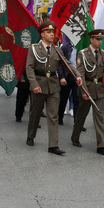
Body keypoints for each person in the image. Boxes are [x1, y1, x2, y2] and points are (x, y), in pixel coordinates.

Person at [25, 21, 73, 155]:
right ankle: (31, 135)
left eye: (52, 32)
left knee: (53, 116)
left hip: (53, 85)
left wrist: (78, 75)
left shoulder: (57, 49)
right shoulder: (34, 48)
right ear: (42, 34)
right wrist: (34, 85)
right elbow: (29, 68)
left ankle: (53, 145)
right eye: (48, 32)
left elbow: (67, 64)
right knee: (35, 114)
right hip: (39, 85)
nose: (52, 34)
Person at [71, 29, 104, 157]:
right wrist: (84, 91)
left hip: (100, 90)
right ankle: (75, 137)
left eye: (101, 39)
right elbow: (80, 73)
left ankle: (101, 146)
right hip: (87, 88)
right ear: (91, 40)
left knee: (99, 118)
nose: (100, 41)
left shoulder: (103, 54)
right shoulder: (83, 54)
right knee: (82, 115)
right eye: (97, 39)